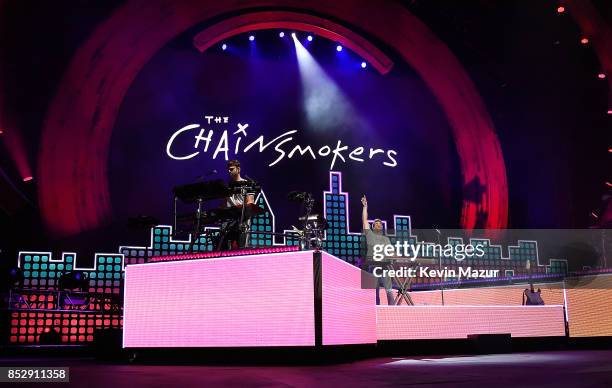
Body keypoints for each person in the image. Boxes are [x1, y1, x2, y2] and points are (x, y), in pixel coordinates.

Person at [361, 195, 395, 305]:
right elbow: (364, 220)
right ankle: (376, 309)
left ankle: (392, 309)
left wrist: (393, 256)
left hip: (385, 266)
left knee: (389, 290)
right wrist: (365, 206)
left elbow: (391, 252)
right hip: (373, 266)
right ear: (373, 226)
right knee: (375, 292)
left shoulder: (386, 239)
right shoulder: (369, 234)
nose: (379, 225)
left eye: (380, 224)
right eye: (376, 224)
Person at [218, 160, 255, 250]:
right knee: (224, 245)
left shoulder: (247, 184)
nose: (229, 171)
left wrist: (239, 210)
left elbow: (250, 202)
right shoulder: (226, 186)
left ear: (238, 169)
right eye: (228, 169)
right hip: (229, 219)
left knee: (241, 246)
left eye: (231, 169)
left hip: (243, 218)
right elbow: (223, 204)